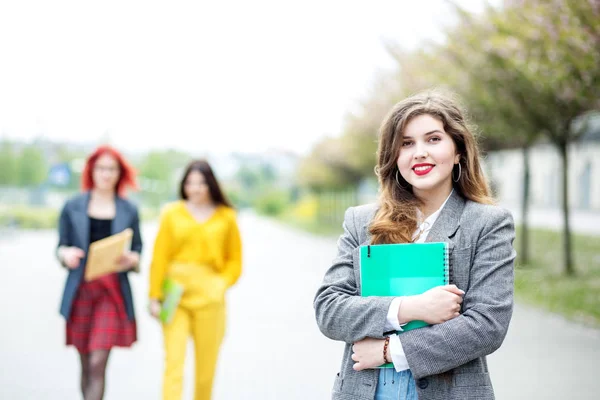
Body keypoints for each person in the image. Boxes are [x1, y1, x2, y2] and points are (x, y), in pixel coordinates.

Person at [314, 89, 516, 400]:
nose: (419, 152)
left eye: (433, 139)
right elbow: (330, 309)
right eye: (406, 143)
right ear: (393, 156)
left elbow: (487, 325)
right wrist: (409, 308)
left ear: (459, 150)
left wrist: (388, 350)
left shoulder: (487, 223)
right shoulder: (362, 221)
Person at [148, 159, 242, 400]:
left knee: (205, 371)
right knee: (174, 365)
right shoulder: (171, 213)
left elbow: (235, 261)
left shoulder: (226, 216)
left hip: (210, 300)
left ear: (210, 184)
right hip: (174, 297)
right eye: (190, 183)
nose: (195, 188)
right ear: (183, 185)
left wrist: (221, 284)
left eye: (201, 183)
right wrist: (154, 296)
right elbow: (159, 257)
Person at [56, 145, 142, 400]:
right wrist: (65, 254)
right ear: (91, 171)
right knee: (85, 364)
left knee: (98, 361)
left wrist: (132, 259)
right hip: (81, 289)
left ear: (120, 173)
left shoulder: (129, 209)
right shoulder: (72, 206)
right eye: (101, 168)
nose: (106, 174)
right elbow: (60, 246)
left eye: (112, 169)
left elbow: (137, 249)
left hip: (111, 291)